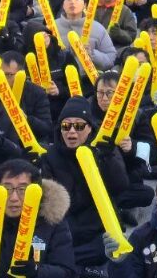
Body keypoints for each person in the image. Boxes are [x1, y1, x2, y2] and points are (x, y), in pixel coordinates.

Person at [40, 97, 130, 271]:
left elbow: (121, 186)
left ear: (90, 128)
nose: (72, 132)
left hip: (97, 227)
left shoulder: (103, 149)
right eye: (66, 126)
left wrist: (107, 158)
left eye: (79, 126)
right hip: (66, 227)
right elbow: (50, 204)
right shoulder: (49, 156)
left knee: (108, 249)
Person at [0, 159, 74, 278]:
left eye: (22, 190)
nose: (14, 198)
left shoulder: (51, 223)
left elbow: (66, 271)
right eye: (7, 189)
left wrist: (37, 272)